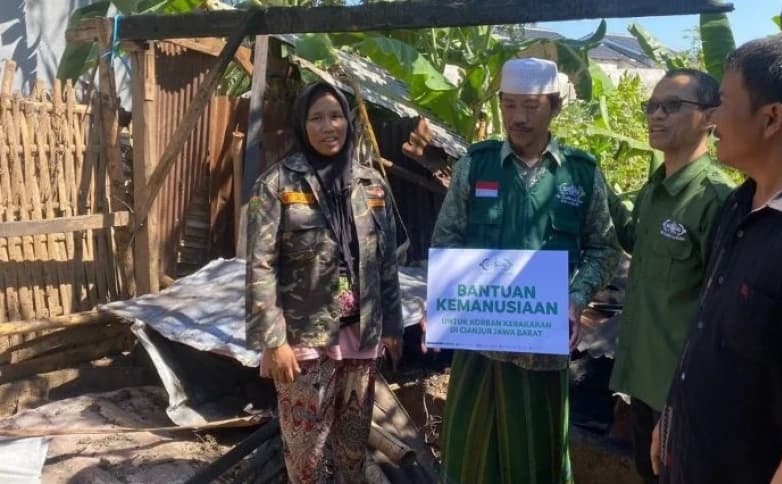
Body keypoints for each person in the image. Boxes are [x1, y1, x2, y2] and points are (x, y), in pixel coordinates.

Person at [652, 31, 782, 484]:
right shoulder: (738, 205)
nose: (712, 118)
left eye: (722, 103)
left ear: (771, 118)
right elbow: (708, 329)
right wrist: (673, 414)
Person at [431, 57, 621, 484]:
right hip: (478, 346)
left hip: (543, 352)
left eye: (531, 106)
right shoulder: (474, 166)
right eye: (509, 105)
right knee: (469, 459)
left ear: (554, 107)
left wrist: (574, 300)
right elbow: (446, 241)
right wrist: (445, 299)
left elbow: (603, 247)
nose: (517, 117)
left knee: (538, 463)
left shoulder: (580, 174)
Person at [245, 81, 403, 484]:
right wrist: (273, 341)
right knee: (307, 457)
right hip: (303, 342)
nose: (328, 126)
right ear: (302, 124)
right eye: (317, 118)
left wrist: (393, 327)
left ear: (348, 122)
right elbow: (260, 266)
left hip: (360, 338)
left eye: (335, 116)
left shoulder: (371, 185)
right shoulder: (277, 185)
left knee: (352, 453)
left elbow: (385, 264)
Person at [606, 69, 733, 483]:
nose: (656, 116)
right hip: (643, 382)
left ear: (710, 117)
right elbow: (633, 242)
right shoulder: (655, 189)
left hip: (680, 396)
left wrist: (685, 402)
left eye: (673, 106)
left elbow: (720, 314)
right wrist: (597, 187)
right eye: (652, 106)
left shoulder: (714, 200)